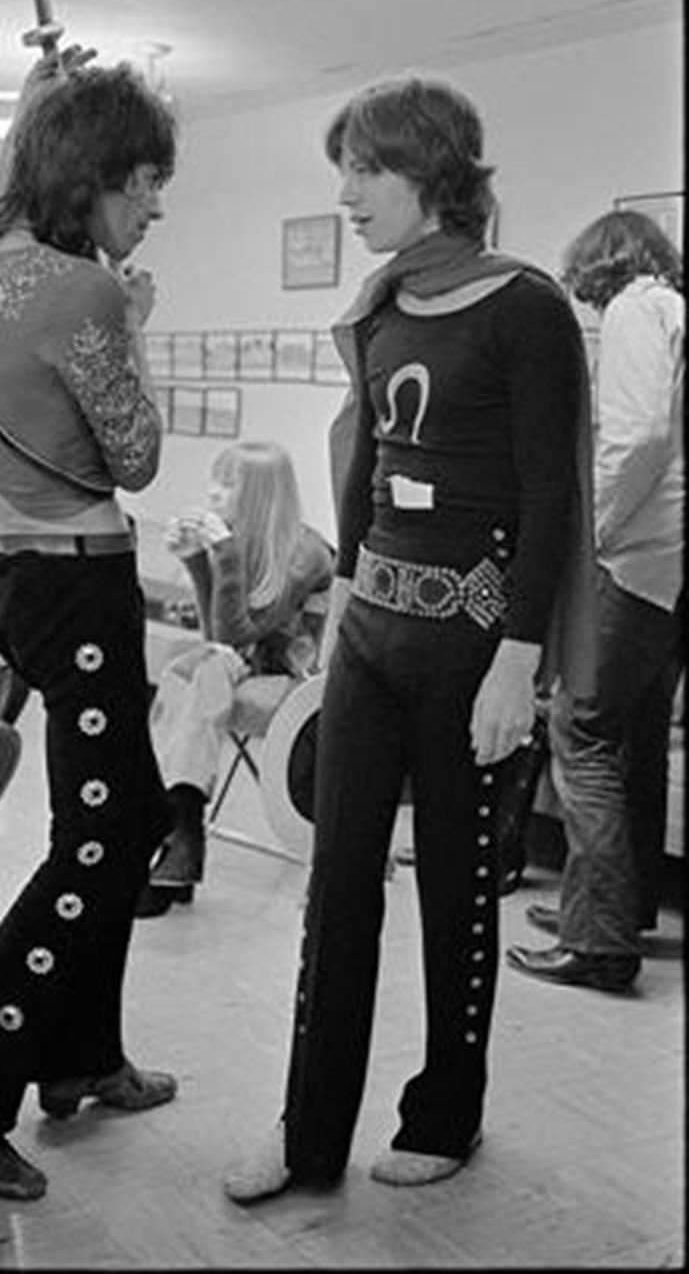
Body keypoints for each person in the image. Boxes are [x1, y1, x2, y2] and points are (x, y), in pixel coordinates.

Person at [222, 73, 596, 1205]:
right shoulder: (380, 308)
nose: (346, 194)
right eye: (344, 169)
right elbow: (370, 482)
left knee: (456, 894)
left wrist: (519, 666)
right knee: (337, 890)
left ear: (432, 173)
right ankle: (307, 1134)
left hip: (473, 655)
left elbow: (549, 498)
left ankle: (447, 1114)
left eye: (364, 170)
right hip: (373, 639)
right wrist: (338, 625)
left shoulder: (526, 308)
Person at [0, 48, 179, 1200]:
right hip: (86, 588)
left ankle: (79, 1054)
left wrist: (41, 110)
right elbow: (138, 458)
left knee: (118, 809)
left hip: (22, 582)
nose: (154, 206)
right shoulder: (87, 292)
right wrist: (137, 325)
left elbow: (2, 194)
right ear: (93, 176)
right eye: (144, 183)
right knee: (105, 841)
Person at [508, 209, 684, 992]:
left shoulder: (633, 310)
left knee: (580, 730)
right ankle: (621, 904)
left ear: (599, 265)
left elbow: (638, 434)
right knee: (635, 738)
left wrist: (591, 530)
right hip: (672, 572)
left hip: (636, 557)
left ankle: (600, 937)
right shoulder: (676, 309)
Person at [136, 441, 334, 917]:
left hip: (291, 676)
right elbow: (218, 635)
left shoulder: (304, 553)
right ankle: (181, 836)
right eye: (216, 479)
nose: (213, 492)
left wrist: (219, 553)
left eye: (229, 483)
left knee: (196, 672)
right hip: (236, 664)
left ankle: (179, 833)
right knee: (195, 668)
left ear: (262, 495)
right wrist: (194, 559)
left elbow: (240, 633)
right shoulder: (239, 538)